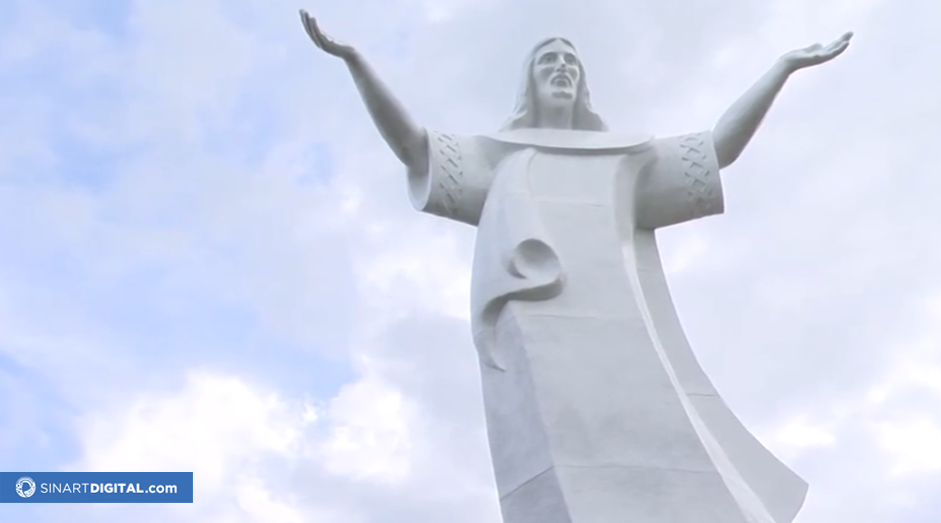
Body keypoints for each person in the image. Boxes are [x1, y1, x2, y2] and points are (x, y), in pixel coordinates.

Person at [300, 10, 851, 523]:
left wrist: (781, 68)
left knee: (665, 433)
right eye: (549, 60)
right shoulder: (501, 153)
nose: (561, 67)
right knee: (558, 452)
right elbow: (416, 148)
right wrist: (357, 63)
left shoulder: (625, 155)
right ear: (530, 83)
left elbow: (716, 149)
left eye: (570, 61)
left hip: (624, 329)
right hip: (537, 320)